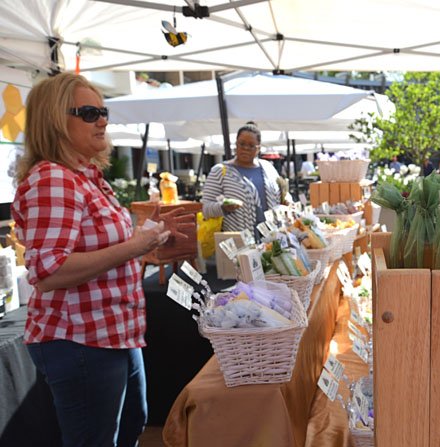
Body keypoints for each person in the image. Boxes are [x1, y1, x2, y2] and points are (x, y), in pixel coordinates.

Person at [10, 72, 181, 447]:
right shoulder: (54, 178)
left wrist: (151, 241)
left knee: (128, 428)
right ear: (54, 120)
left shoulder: (86, 176)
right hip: (81, 340)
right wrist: (136, 247)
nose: (102, 120)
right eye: (88, 112)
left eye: (103, 111)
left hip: (112, 335)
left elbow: (108, 255)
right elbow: (49, 270)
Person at [201, 122, 288, 235]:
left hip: (272, 238)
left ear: (258, 148)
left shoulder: (268, 167)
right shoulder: (220, 171)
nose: (246, 148)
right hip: (239, 242)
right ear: (236, 144)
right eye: (242, 144)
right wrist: (223, 207)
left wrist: (287, 200)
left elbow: (281, 193)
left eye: (251, 145)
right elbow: (206, 209)